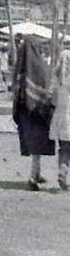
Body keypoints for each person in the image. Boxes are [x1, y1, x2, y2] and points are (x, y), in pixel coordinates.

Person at [12, 37, 56, 190]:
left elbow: (16, 88)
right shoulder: (39, 65)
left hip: (24, 110)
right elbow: (46, 85)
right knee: (38, 145)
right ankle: (32, 177)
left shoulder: (19, 66)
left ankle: (36, 173)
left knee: (33, 146)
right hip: (38, 111)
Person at [50, 49, 70, 190]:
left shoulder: (57, 79)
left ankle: (62, 171)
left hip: (62, 118)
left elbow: (52, 98)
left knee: (64, 148)